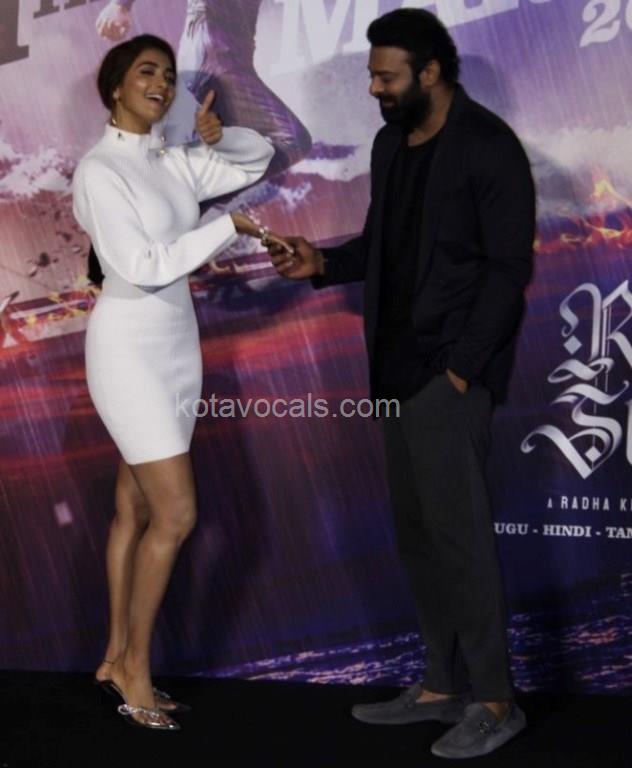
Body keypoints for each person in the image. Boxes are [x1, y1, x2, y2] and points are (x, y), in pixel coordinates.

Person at [268, 9, 535, 760]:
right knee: (420, 540)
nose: (374, 88)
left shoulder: (488, 146)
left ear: (431, 72)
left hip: (446, 377)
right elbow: (384, 247)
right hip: (391, 372)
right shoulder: (390, 145)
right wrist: (322, 262)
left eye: (386, 76)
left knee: (460, 542)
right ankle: (442, 688)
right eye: (372, 75)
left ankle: (495, 701)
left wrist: (462, 368)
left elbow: (508, 270)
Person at [72, 33, 292, 731]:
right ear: (115, 87)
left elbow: (258, 157)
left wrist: (220, 137)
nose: (162, 83)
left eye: (168, 74)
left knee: (135, 510)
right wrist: (225, 227)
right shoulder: (100, 170)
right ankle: (137, 668)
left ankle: (114, 657)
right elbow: (139, 267)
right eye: (146, 72)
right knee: (176, 515)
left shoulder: (168, 159)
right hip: (128, 351)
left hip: (176, 348)